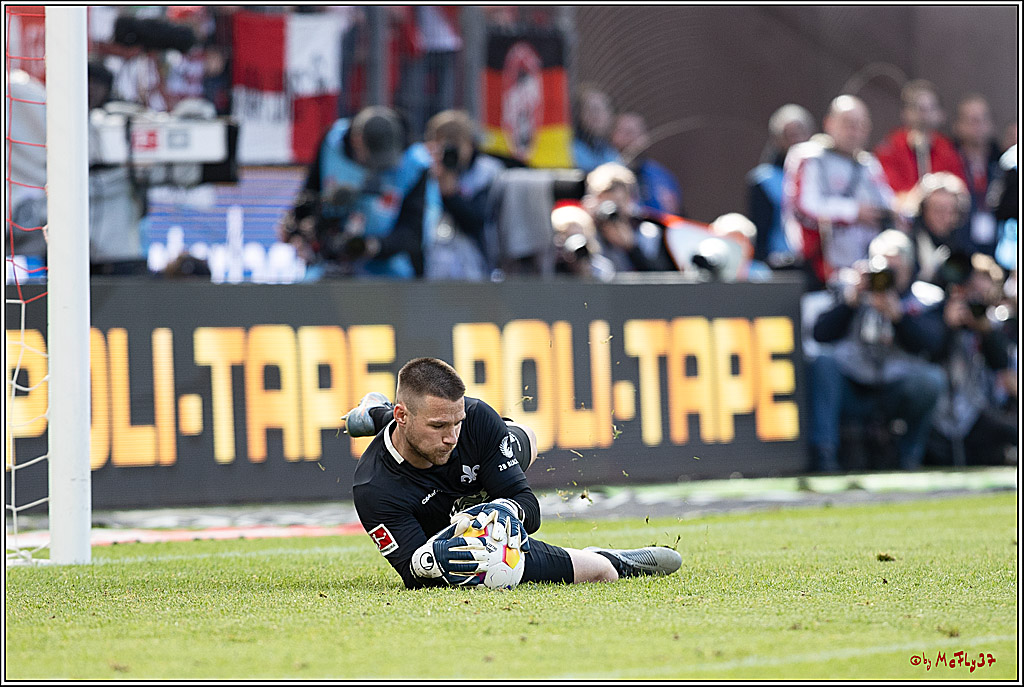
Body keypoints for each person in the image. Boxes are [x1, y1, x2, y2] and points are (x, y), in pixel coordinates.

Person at [345, 357, 683, 589]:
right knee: (601, 573)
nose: (451, 437)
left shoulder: (476, 419)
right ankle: (613, 559)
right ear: (403, 417)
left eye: (455, 422)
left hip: (482, 479)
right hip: (448, 531)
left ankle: (375, 413)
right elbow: (415, 575)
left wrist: (503, 510)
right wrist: (443, 556)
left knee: (528, 439)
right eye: (438, 426)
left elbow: (529, 508)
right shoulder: (374, 487)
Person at [807, 230, 947, 472]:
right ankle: (824, 454)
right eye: (883, 268)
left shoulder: (924, 297)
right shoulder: (849, 287)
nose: (887, 277)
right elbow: (821, 334)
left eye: (895, 269)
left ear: (909, 267)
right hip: (851, 383)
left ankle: (909, 457)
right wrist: (851, 302)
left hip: (895, 387)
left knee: (932, 380)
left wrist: (900, 318)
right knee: (822, 362)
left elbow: (932, 345)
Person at [277, 106, 442, 279]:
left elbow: (414, 233)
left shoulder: (414, 163)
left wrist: (371, 247)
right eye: (372, 157)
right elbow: (309, 194)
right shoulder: (332, 142)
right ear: (357, 140)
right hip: (328, 267)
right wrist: (299, 231)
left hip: (391, 274)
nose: (377, 167)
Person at [783, 95, 896, 291]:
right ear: (829, 123)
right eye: (849, 124)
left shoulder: (868, 164)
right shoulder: (810, 157)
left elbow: (887, 204)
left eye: (862, 125)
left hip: (865, 269)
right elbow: (805, 206)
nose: (855, 131)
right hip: (821, 269)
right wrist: (853, 212)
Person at [927, 252, 1018, 466]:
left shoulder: (991, 321)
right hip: (938, 410)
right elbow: (931, 351)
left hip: (973, 409)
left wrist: (983, 329)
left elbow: (1000, 364)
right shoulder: (937, 308)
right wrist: (948, 326)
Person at [422, 109, 507, 280]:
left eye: (455, 143)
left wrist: (450, 192)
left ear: (469, 143)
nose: (449, 152)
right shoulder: (423, 168)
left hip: (477, 267)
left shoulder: (487, 172)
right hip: (431, 267)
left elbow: (477, 220)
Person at [873, 79, 967, 204]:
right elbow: (887, 193)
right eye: (917, 107)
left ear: (941, 114)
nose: (924, 113)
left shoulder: (948, 149)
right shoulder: (890, 147)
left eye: (930, 107)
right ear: (905, 112)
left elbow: (960, 191)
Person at [747, 103, 815, 269]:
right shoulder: (764, 181)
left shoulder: (820, 176)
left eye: (800, 133)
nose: (795, 140)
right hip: (781, 262)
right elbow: (761, 231)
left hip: (815, 262)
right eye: (789, 135)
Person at [582, 163, 676, 273]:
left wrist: (631, 248)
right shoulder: (584, 231)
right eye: (606, 203)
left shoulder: (646, 234)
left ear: (630, 201)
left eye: (618, 203)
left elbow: (660, 278)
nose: (612, 212)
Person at [951, 94, 1004, 256]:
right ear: (957, 125)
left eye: (982, 119)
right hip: (959, 246)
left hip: (998, 245)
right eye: (971, 120)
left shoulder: (1001, 163)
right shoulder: (949, 160)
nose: (978, 126)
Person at [610, 112, 684, 216]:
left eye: (638, 134)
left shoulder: (661, 176)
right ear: (613, 135)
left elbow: (676, 214)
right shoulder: (607, 171)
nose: (632, 140)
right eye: (626, 132)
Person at [904, 172, 972, 283]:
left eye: (951, 211)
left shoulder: (961, 240)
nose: (944, 217)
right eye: (937, 210)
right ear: (923, 210)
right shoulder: (908, 241)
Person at [571, 85, 619, 174]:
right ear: (579, 114)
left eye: (601, 109)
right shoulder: (570, 149)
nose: (595, 115)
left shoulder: (611, 153)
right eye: (590, 109)